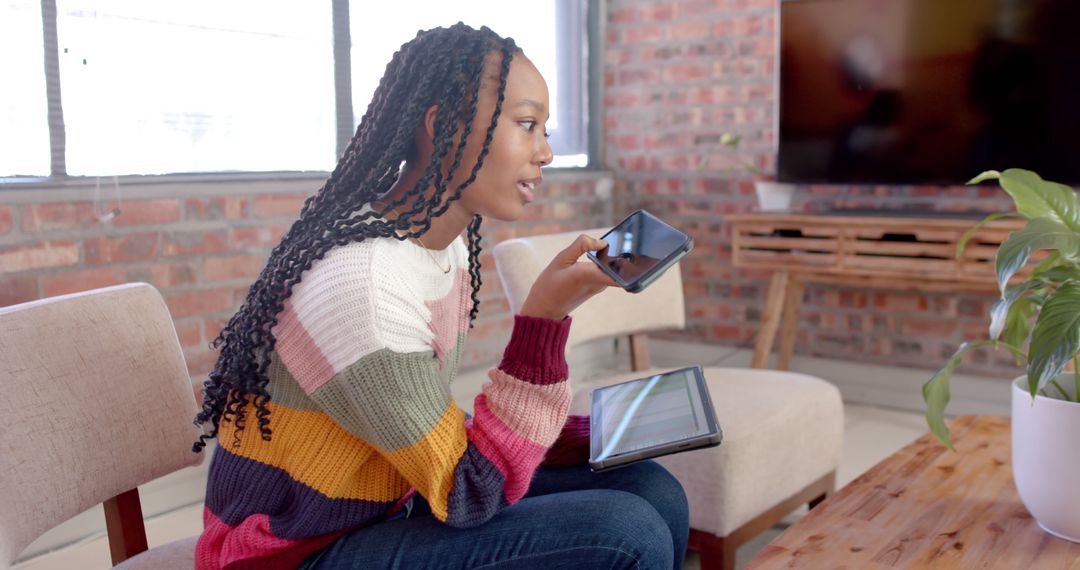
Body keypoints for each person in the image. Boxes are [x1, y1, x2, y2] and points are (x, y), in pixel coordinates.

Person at [192, 23, 688, 570]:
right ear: (442, 127)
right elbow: (466, 490)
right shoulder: (364, 283)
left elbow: (426, 431)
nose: (545, 152)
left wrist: (582, 435)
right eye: (527, 125)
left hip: (385, 495)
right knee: (627, 531)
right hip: (294, 550)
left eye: (545, 129)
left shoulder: (436, 245)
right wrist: (541, 322)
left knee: (651, 486)